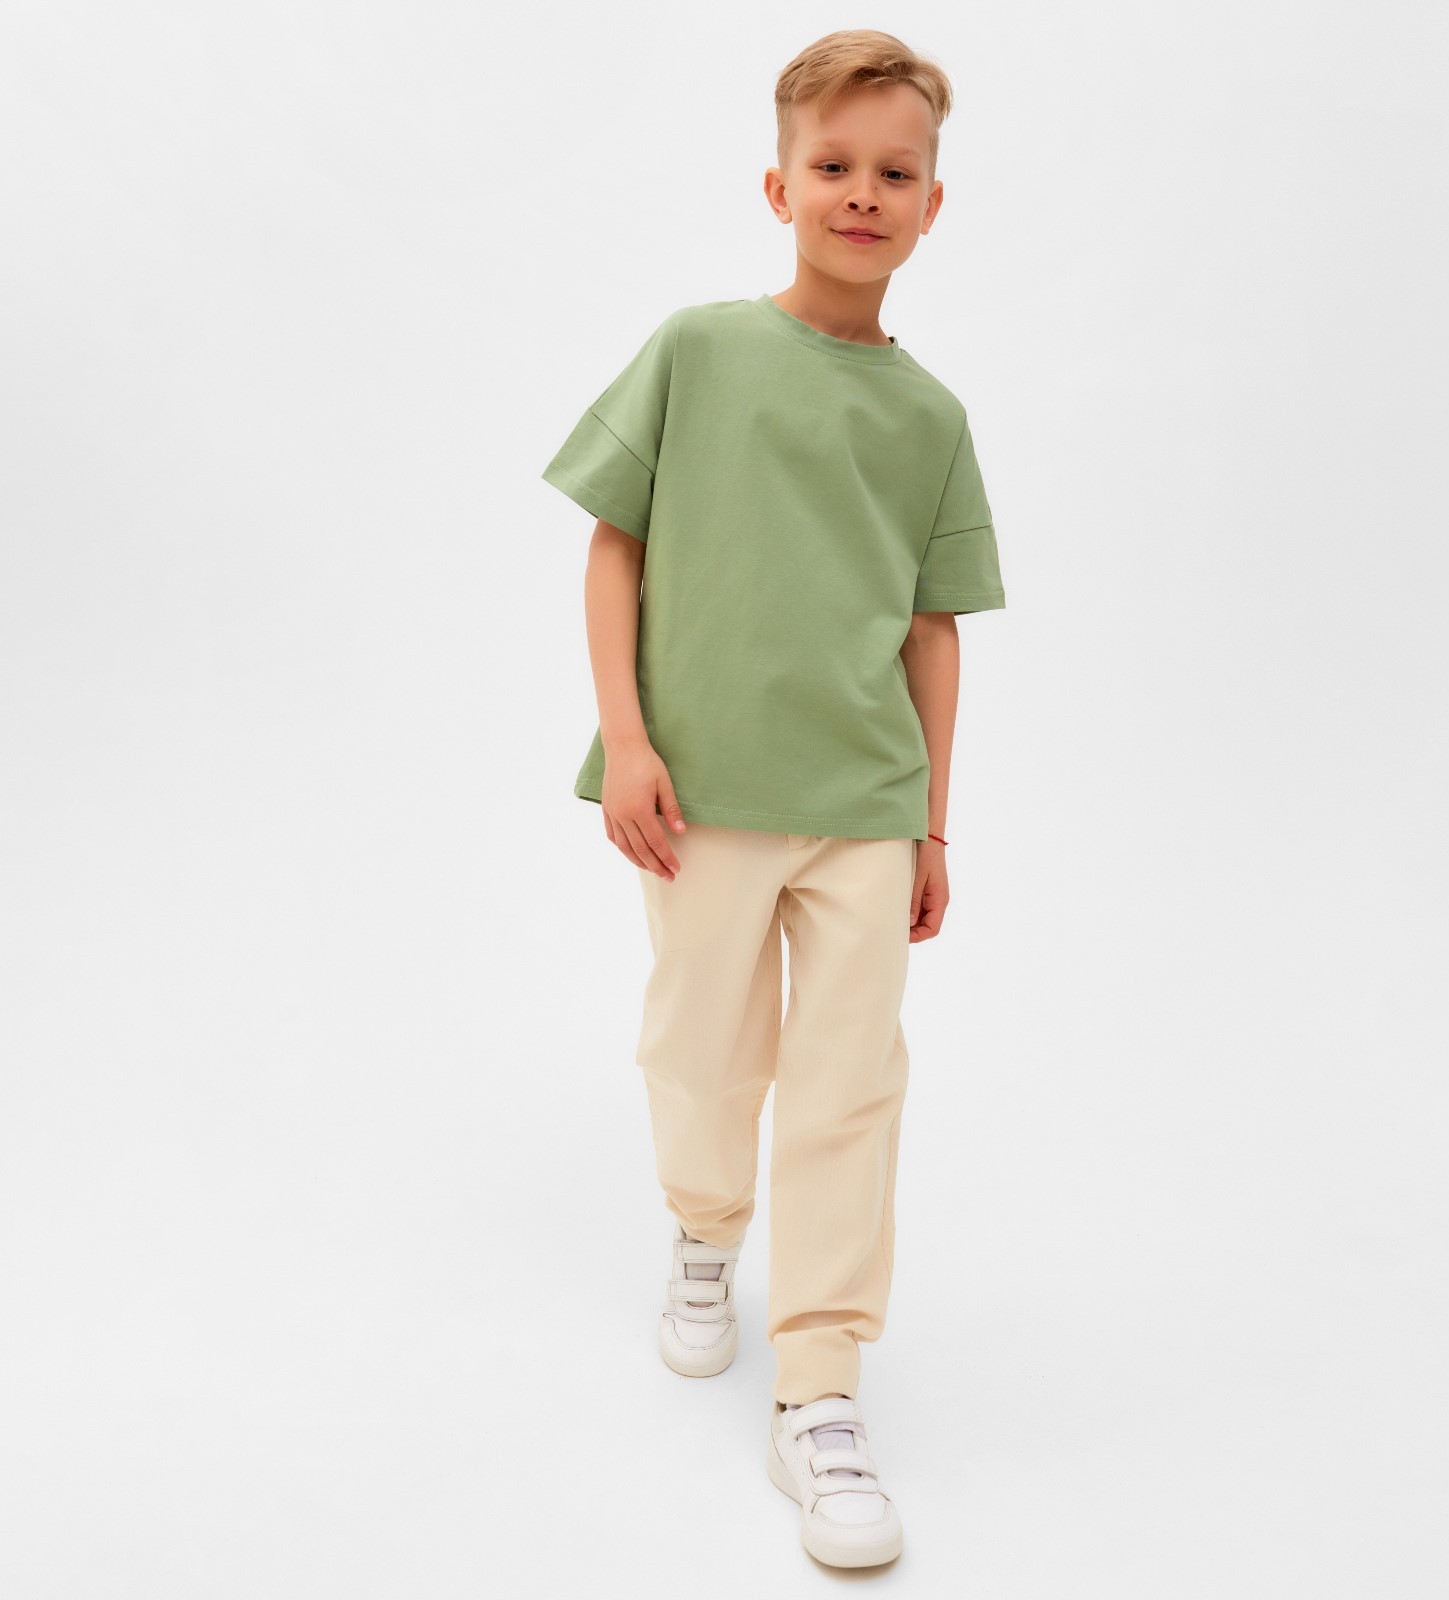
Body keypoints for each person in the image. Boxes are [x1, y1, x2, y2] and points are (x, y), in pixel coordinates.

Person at [540, 28, 1006, 1570]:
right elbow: (615, 543)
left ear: (932, 204)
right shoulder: (699, 350)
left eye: (895, 173)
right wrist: (627, 737)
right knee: (700, 1049)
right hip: (703, 795)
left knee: (849, 1085)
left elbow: (932, 631)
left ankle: (820, 1388)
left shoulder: (932, 420)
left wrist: (931, 821)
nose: (863, 193)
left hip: (864, 803)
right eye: (834, 166)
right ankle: (704, 1226)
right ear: (779, 185)